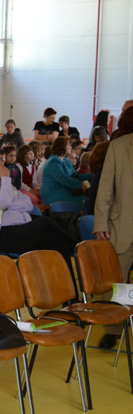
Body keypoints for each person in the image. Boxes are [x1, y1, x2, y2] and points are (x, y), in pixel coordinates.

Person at [0, 148, 77, 258]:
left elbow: (28, 204)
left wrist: (6, 207)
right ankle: (78, 249)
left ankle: (73, 260)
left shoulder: (6, 186)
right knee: (45, 222)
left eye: (1, 160)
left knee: (59, 248)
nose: (0, 164)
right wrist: (5, 180)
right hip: (2, 235)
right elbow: (4, 203)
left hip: (23, 229)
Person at [94, 131, 133, 350]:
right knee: (117, 282)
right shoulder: (118, 146)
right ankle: (113, 329)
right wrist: (101, 222)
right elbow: (105, 187)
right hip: (122, 225)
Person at [40, 136, 89, 206]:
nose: (71, 147)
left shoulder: (65, 160)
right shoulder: (53, 162)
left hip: (65, 190)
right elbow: (63, 178)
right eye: (68, 145)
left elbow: (74, 175)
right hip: (54, 193)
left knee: (88, 200)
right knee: (86, 202)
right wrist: (80, 185)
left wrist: (91, 176)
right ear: (62, 147)